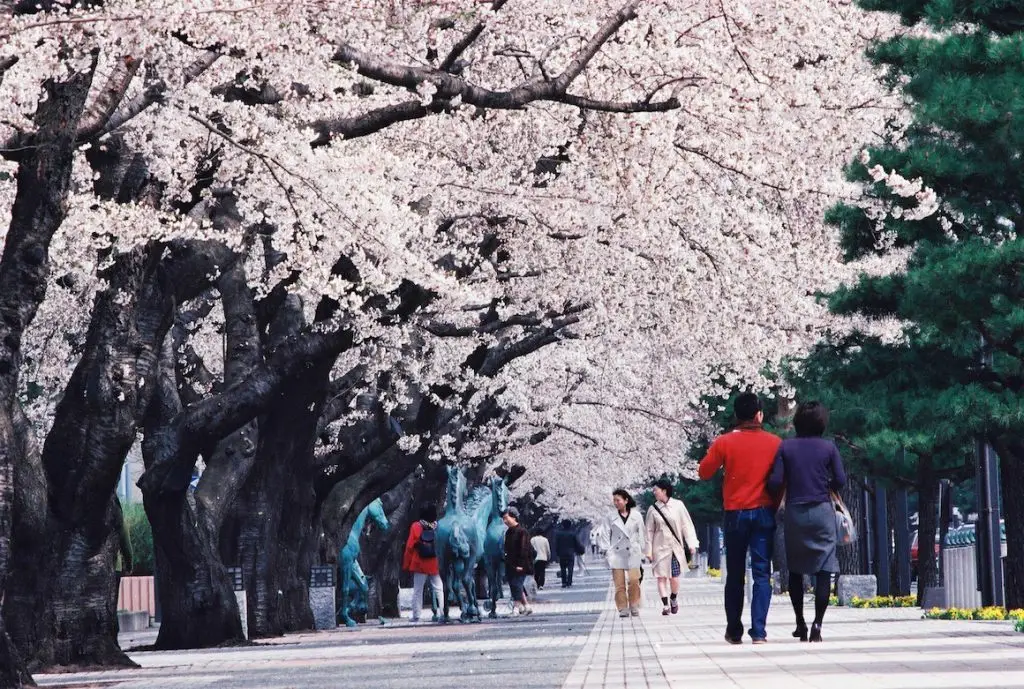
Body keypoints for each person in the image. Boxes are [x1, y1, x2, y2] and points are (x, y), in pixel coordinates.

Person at [698, 392, 782, 645]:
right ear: (759, 415)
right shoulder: (775, 442)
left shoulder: (725, 442)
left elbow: (703, 472)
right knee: (761, 572)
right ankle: (759, 632)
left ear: (736, 416)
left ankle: (734, 630)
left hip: (735, 512)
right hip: (765, 511)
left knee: (734, 573)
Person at [768, 401, 847, 643]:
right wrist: (826, 486)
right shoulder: (829, 448)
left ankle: (800, 622)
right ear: (822, 423)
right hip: (822, 511)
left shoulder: (786, 447)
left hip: (796, 512)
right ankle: (817, 625)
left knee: (795, 568)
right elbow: (841, 480)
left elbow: (774, 481)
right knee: (824, 569)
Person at [645, 478, 699, 616]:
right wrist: (648, 551)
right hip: (659, 547)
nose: (654, 493)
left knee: (674, 577)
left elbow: (686, 525)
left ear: (664, 491)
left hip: (675, 548)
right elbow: (649, 531)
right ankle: (665, 605)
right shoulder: (653, 509)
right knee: (661, 577)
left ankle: (673, 597)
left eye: (656, 490)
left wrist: (692, 543)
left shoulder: (678, 505)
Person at [606, 488, 646, 617]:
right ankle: (622, 607)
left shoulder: (636, 516)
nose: (615, 503)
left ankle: (634, 604)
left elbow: (642, 534)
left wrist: (644, 551)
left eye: (618, 500)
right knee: (619, 584)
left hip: (633, 551)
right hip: (616, 553)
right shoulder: (610, 517)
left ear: (626, 500)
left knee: (634, 580)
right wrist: (608, 550)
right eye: (614, 500)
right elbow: (605, 534)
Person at [402, 504, 444, 622]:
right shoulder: (438, 527)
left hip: (419, 563)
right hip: (434, 562)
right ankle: (443, 612)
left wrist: (406, 564)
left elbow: (410, 546)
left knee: (418, 590)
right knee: (439, 588)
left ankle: (417, 615)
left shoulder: (416, 526)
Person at [502, 507, 533, 615]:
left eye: (506, 518)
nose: (505, 521)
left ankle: (516, 608)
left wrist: (521, 564)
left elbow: (524, 549)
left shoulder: (522, 531)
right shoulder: (508, 532)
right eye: (503, 519)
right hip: (510, 564)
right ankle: (527, 606)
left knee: (517, 584)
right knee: (516, 585)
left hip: (521, 564)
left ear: (514, 517)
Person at [554, 520, 578, 587]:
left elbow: (556, 545)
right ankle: (569, 582)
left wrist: (557, 553)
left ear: (562, 525)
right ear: (570, 525)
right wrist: (579, 551)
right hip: (570, 553)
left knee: (563, 568)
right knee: (570, 568)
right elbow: (576, 544)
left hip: (562, 554)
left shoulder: (558, 534)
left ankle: (564, 582)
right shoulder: (573, 534)